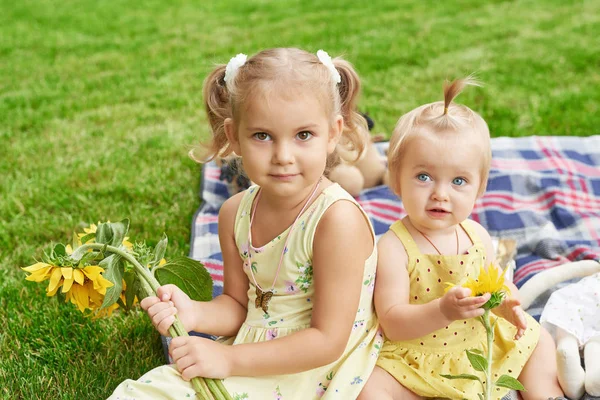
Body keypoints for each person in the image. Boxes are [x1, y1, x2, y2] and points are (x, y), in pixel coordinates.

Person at [108, 48, 382, 400]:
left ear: (332, 134)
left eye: (303, 135)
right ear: (234, 136)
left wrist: (228, 358)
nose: (283, 156)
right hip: (252, 352)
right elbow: (239, 306)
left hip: (317, 369)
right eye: (262, 136)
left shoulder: (335, 220)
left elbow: (328, 340)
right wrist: (193, 313)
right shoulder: (234, 213)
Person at [358, 77, 564, 400]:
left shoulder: (477, 235)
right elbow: (393, 322)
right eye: (423, 177)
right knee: (369, 388)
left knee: (539, 342)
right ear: (396, 179)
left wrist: (508, 303)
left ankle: (546, 395)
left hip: (478, 342)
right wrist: (442, 310)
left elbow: (494, 283)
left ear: (480, 189)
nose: (440, 194)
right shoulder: (394, 247)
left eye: (458, 181)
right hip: (418, 358)